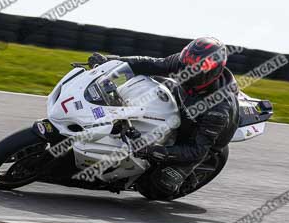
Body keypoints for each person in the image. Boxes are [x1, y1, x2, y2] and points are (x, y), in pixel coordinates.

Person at [88, 37, 239, 200]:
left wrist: (151, 151)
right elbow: (149, 63)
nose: (188, 68)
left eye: (196, 66)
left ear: (212, 71)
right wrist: (111, 63)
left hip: (197, 138)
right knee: (143, 84)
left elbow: (197, 150)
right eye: (187, 61)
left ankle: (186, 179)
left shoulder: (218, 108)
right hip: (181, 102)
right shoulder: (184, 63)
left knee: (158, 187)